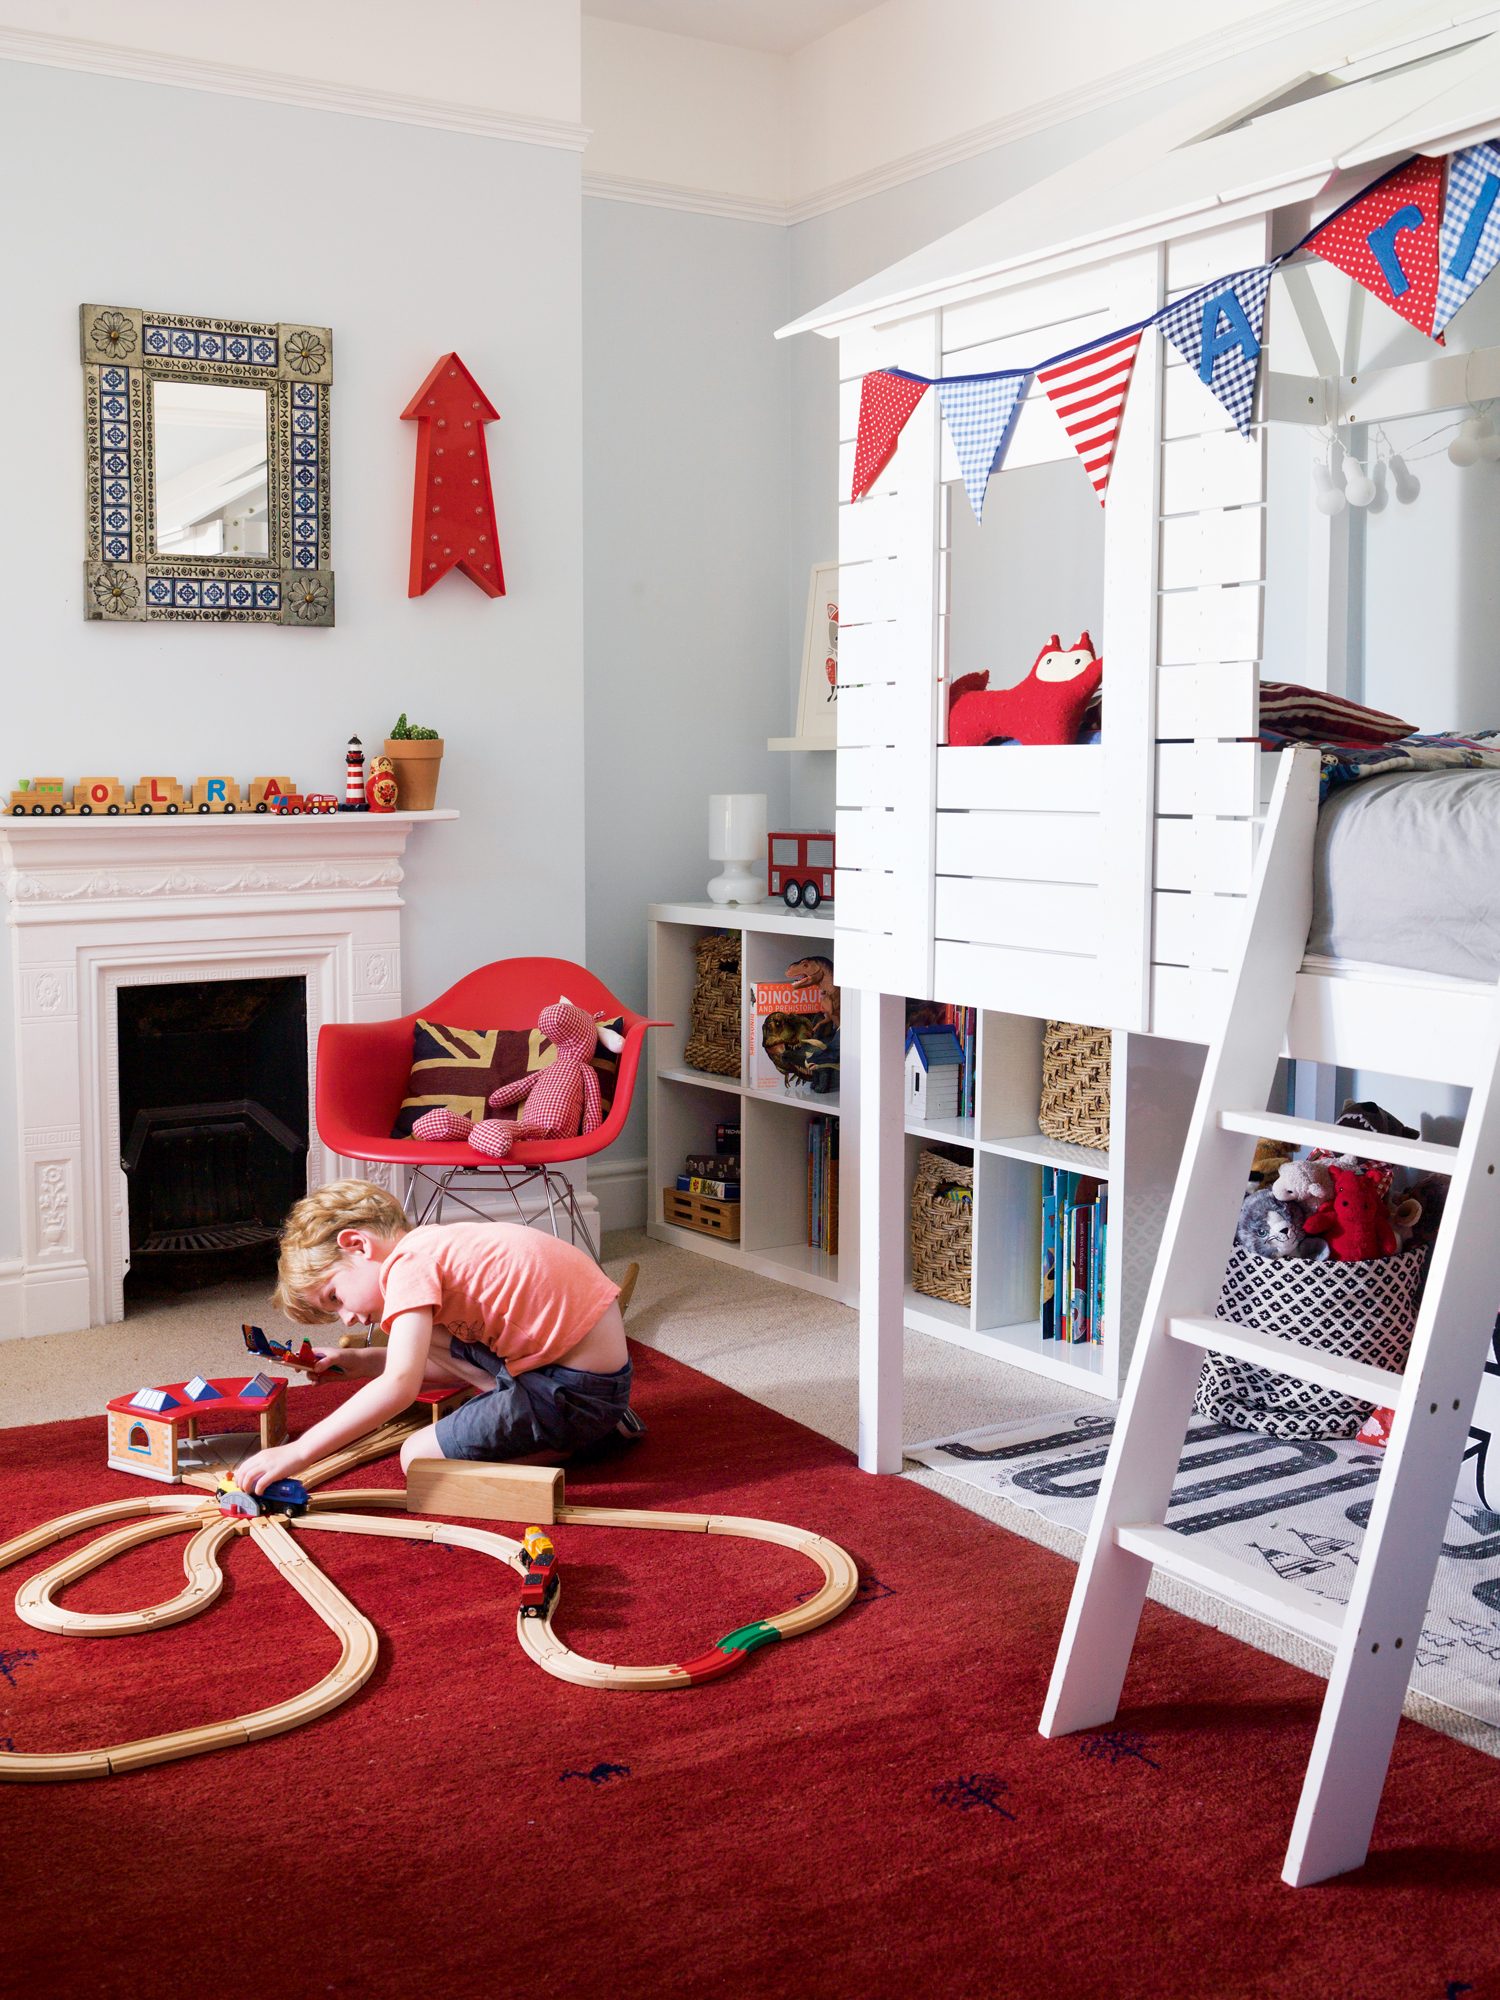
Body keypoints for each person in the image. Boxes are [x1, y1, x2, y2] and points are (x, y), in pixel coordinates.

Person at [231, 1180, 635, 1494]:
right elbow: (435, 1358)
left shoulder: (406, 1268)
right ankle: (588, 1423)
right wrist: (363, 1363)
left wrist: (298, 1452)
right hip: (587, 1376)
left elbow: (400, 1387)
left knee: (418, 1459)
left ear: (357, 1245)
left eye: (334, 1298)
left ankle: (573, 1442)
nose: (348, 1319)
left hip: (571, 1391)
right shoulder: (432, 1246)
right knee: (438, 1337)